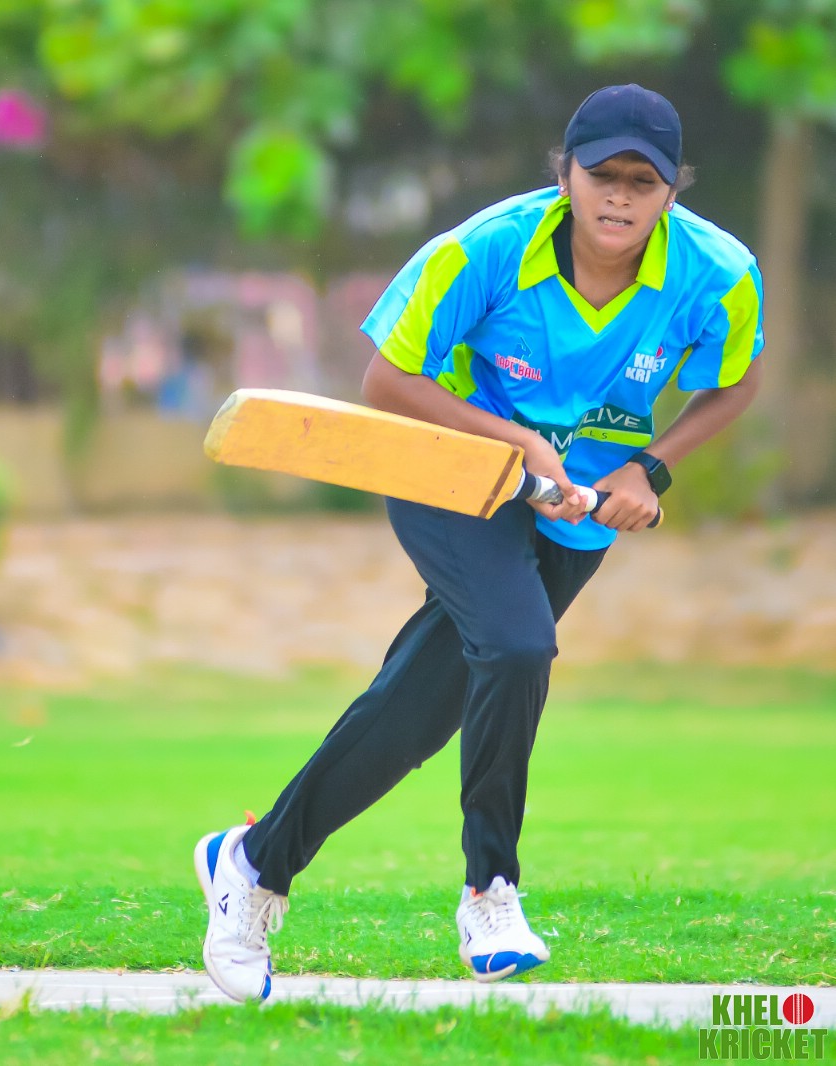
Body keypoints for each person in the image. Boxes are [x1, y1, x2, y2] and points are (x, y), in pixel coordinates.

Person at [195, 84, 764, 1001]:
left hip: (575, 507)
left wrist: (649, 470)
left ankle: (253, 863)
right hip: (451, 473)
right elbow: (387, 380)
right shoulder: (485, 249)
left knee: (421, 707)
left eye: (643, 181)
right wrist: (516, 441)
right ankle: (490, 890)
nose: (620, 197)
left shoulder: (718, 272)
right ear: (566, 175)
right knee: (518, 645)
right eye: (602, 175)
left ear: (672, 191)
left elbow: (736, 382)